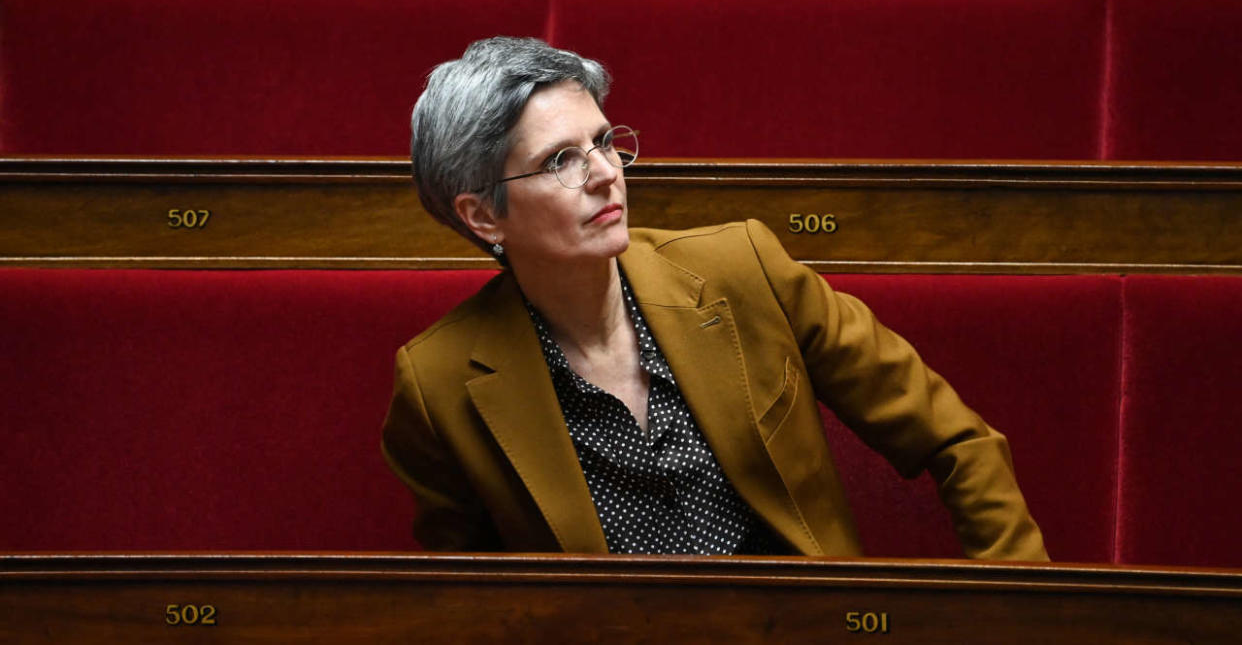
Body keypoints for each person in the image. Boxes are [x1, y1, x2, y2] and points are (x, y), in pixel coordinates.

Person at [382, 36, 1048, 559]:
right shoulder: (440, 387)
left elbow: (959, 440)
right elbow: (473, 598)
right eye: (562, 160)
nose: (607, 174)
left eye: (605, 141)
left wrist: (1016, 612)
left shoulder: (743, 268)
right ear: (482, 216)